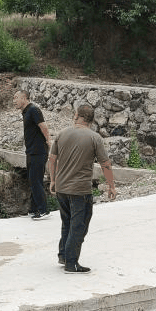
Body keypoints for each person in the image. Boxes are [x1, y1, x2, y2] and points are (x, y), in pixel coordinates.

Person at [49, 104, 116, 274]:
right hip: (80, 190)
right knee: (79, 226)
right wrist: (111, 186)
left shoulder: (62, 133)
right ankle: (71, 263)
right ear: (91, 119)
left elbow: (52, 158)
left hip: (62, 188)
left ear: (78, 116)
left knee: (67, 223)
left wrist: (52, 180)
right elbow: (105, 164)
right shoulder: (94, 138)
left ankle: (63, 255)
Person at [12, 89, 52, 219]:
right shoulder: (26, 112)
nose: (14, 101)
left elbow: (43, 126)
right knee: (33, 179)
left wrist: (48, 141)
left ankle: (43, 210)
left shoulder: (34, 109)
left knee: (36, 180)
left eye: (16, 98)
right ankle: (34, 209)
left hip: (38, 151)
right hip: (31, 151)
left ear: (24, 98)